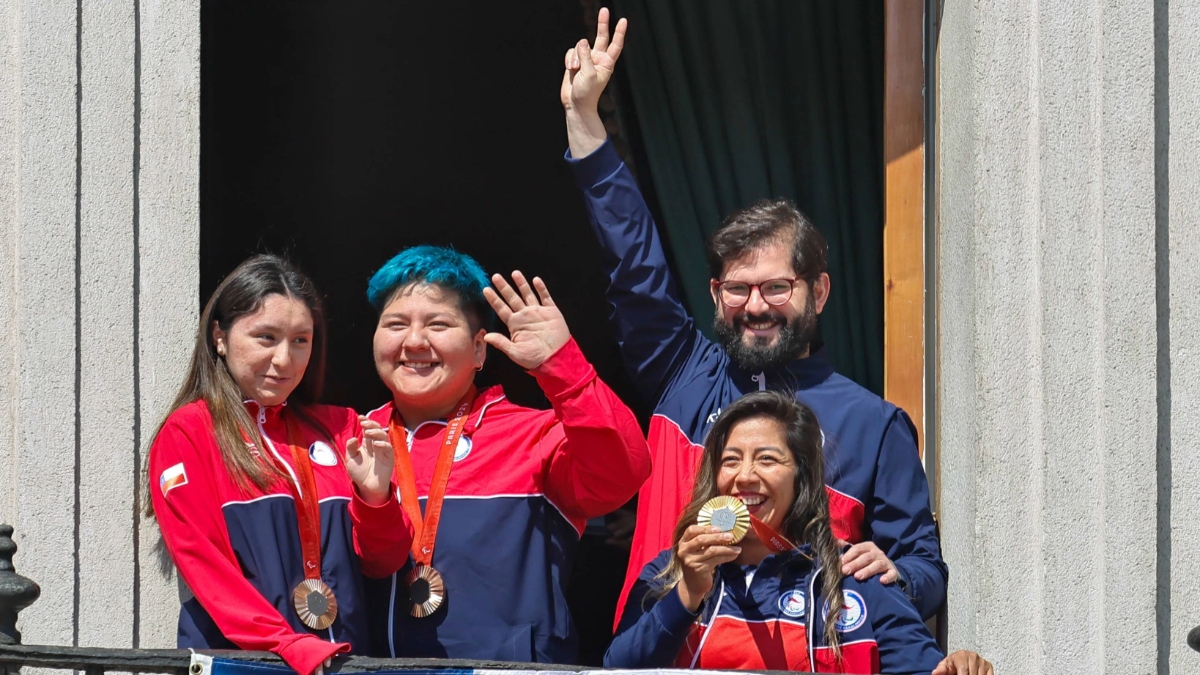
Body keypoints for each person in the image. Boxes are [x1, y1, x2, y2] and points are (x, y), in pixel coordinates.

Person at [559, 9, 948, 623]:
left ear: (818, 293)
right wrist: (585, 126)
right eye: (738, 289)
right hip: (661, 659)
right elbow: (634, 267)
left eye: (776, 287)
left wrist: (896, 573)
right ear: (715, 295)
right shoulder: (682, 372)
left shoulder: (875, 424)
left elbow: (926, 571)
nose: (756, 306)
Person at [360, 246, 651, 664]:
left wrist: (563, 365)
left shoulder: (533, 435)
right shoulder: (349, 440)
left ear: (480, 350)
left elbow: (624, 471)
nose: (415, 340)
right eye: (396, 323)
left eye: (438, 323)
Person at [147, 255, 409, 675]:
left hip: (341, 661)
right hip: (244, 664)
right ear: (220, 336)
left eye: (301, 340)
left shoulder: (340, 426)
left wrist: (376, 498)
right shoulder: (190, 432)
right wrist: (289, 645)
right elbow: (207, 567)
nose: (285, 360)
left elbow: (383, 562)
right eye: (266, 337)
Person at [607, 392, 992, 675]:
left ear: (802, 478)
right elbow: (616, 670)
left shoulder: (853, 579)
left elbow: (924, 669)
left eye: (767, 459)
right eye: (730, 461)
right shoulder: (670, 573)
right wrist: (688, 593)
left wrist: (958, 667)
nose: (744, 477)